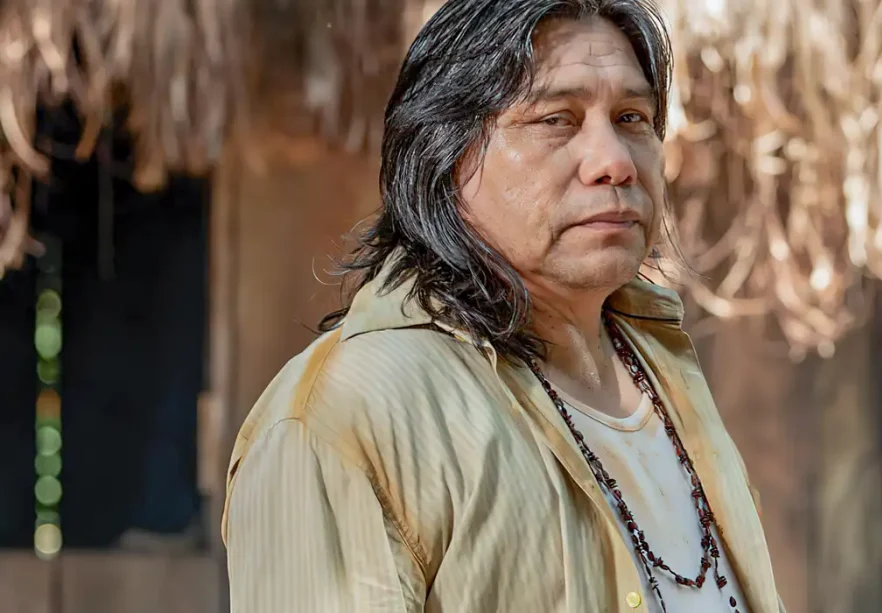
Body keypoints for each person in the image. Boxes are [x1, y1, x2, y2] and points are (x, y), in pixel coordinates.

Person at [223, 1, 785, 611]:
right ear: (445, 153)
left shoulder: (660, 367)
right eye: (556, 120)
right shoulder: (351, 414)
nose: (616, 163)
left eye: (632, 118)